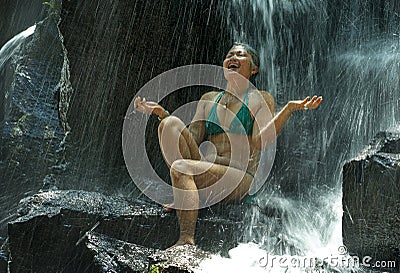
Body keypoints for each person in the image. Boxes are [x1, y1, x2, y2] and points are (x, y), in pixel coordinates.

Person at [133, 43, 323, 247]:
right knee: (169, 124)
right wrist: (161, 113)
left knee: (182, 167)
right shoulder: (208, 99)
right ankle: (185, 194)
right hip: (208, 170)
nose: (233, 57)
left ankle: (186, 240)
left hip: (239, 178)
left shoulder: (261, 98)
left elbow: (260, 141)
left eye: (240, 55)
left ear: (253, 69)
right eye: (230, 55)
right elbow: (192, 138)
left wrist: (288, 110)